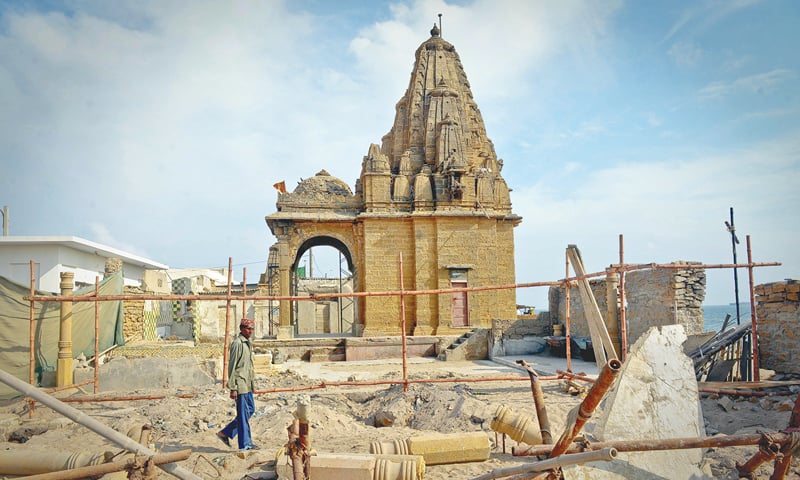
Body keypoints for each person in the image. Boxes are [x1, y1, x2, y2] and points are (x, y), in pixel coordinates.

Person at [217, 318, 259, 451]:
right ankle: (245, 444)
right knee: (243, 414)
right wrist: (233, 388)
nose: (250, 331)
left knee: (250, 410)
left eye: (252, 329)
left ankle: (226, 433)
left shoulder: (248, 343)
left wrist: (252, 384)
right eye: (248, 329)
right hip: (240, 385)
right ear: (242, 329)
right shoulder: (237, 344)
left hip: (247, 384)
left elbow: (248, 367)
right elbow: (232, 366)